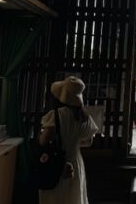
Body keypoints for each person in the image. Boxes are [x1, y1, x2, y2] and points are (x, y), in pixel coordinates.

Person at [39, 76, 98, 204]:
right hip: (75, 159)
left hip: (57, 161)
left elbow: (43, 141)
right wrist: (74, 142)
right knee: (74, 195)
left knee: (56, 196)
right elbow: (89, 141)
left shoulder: (55, 115)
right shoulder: (84, 117)